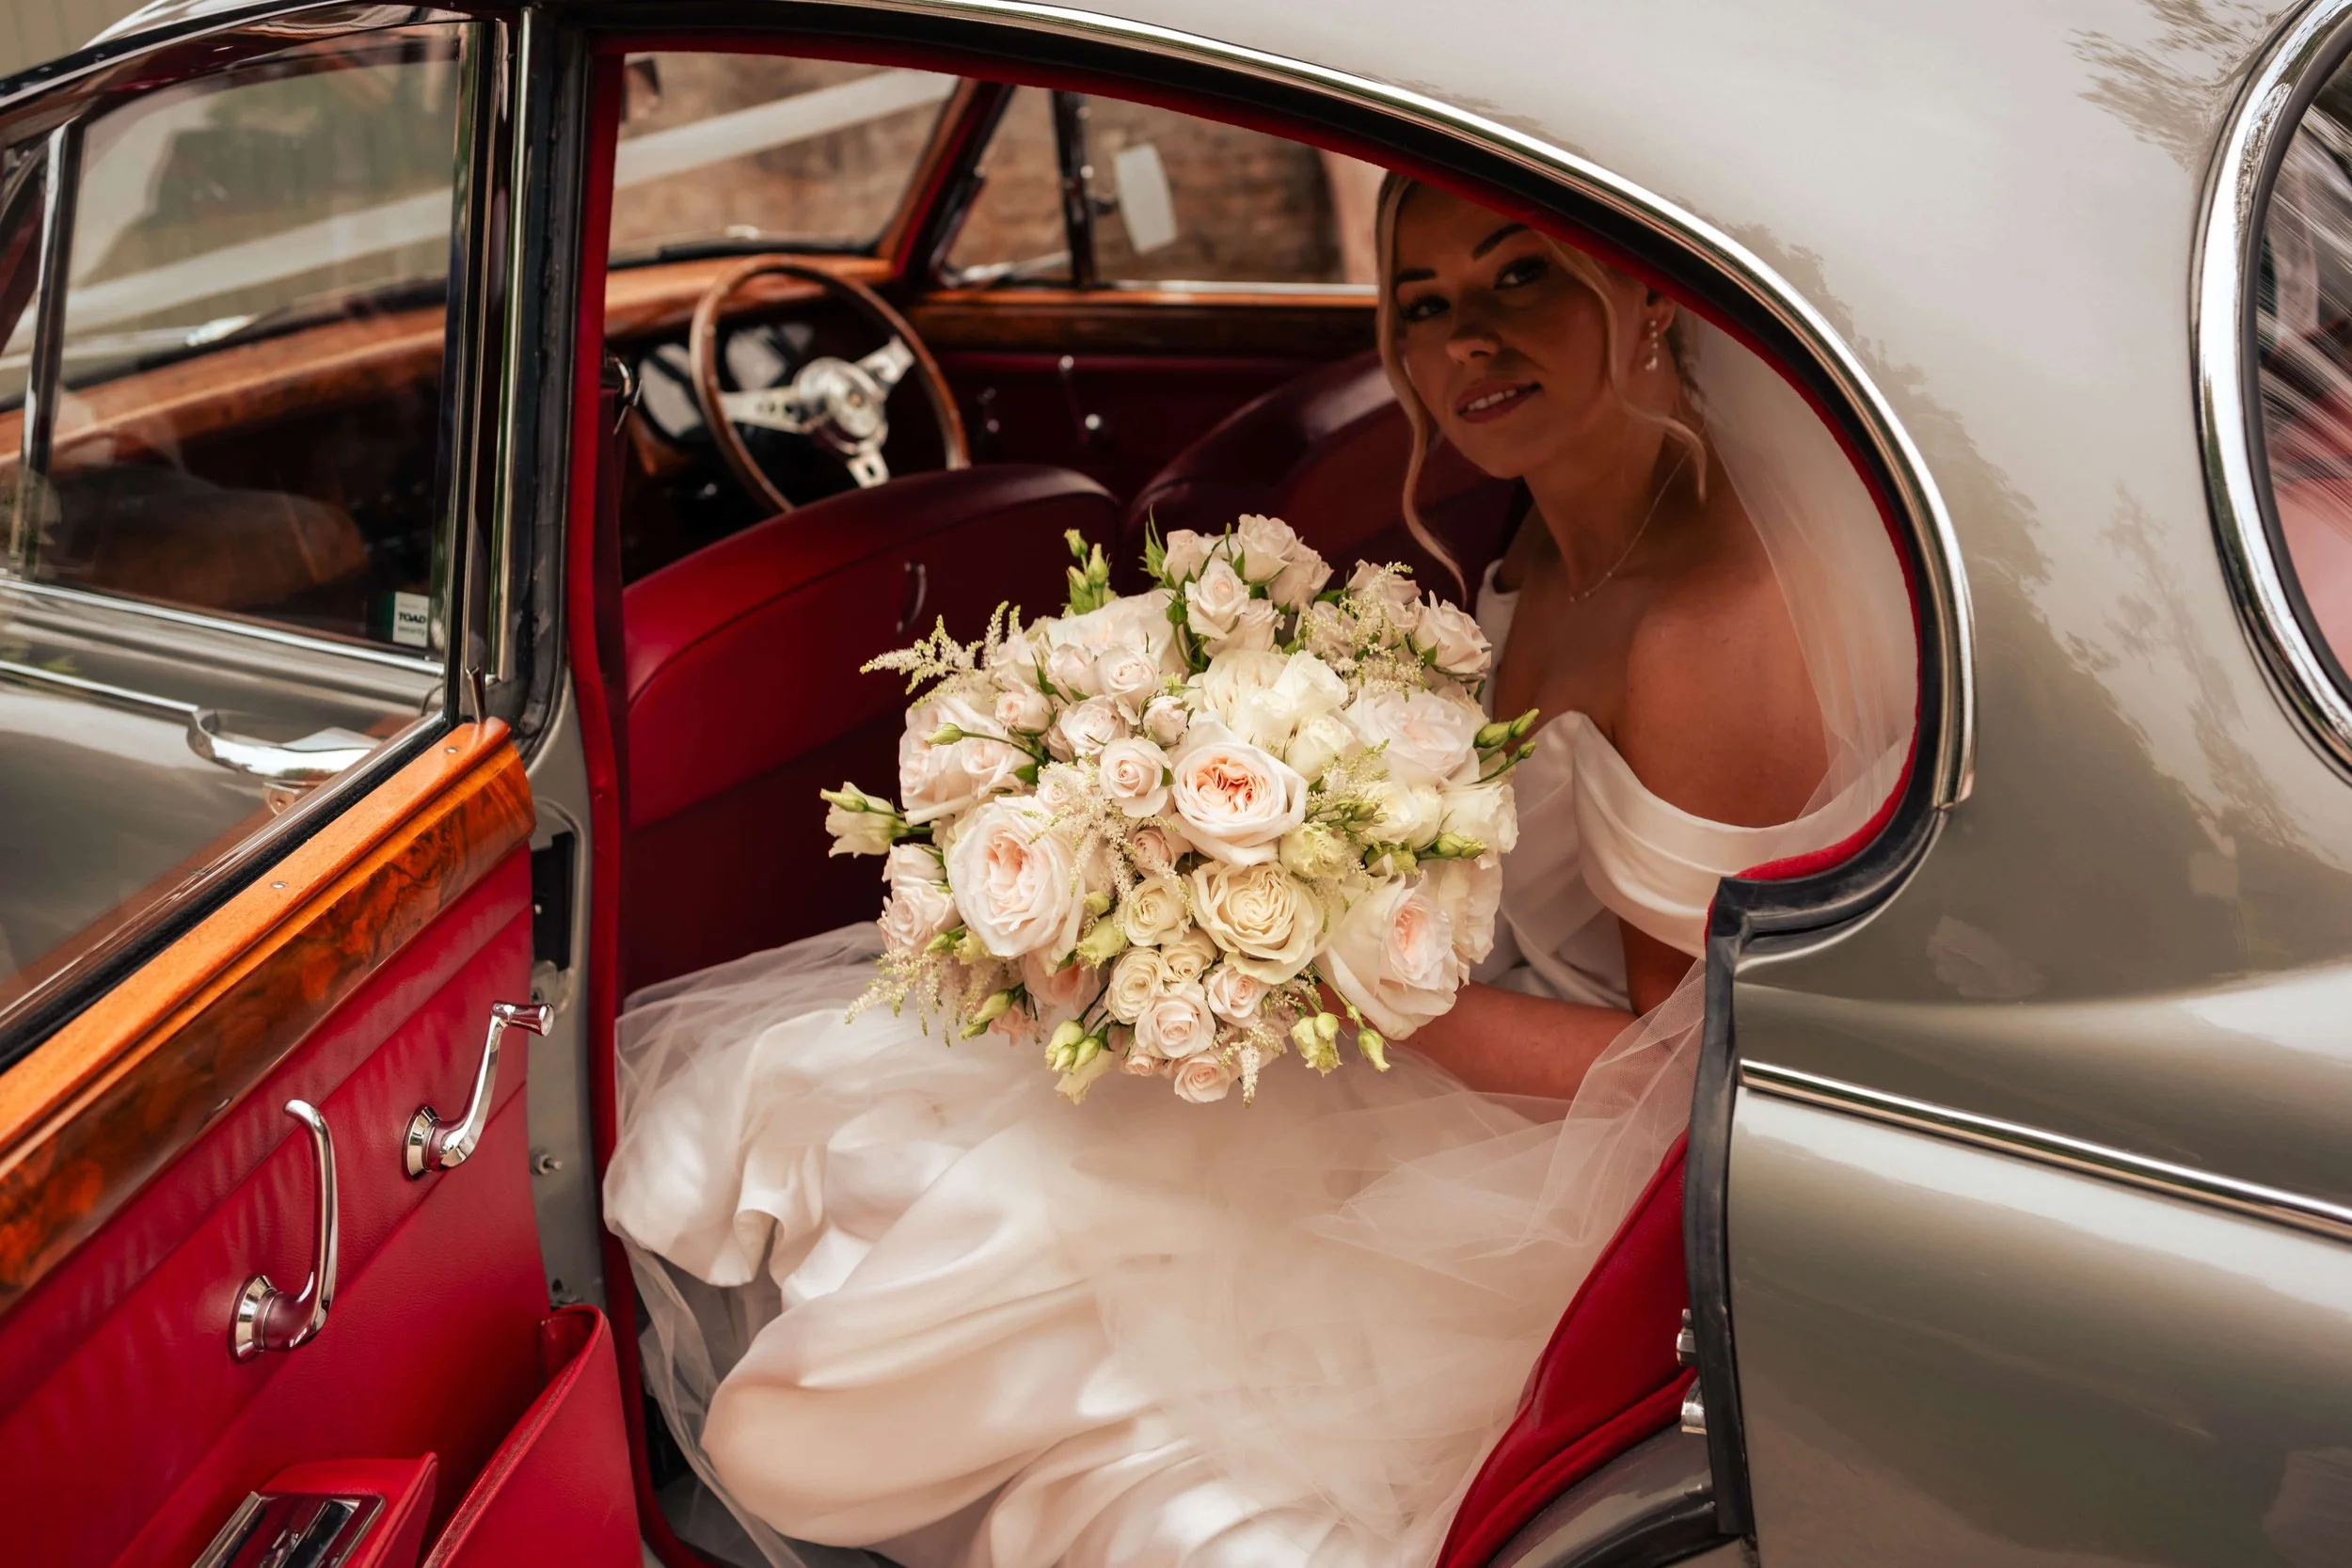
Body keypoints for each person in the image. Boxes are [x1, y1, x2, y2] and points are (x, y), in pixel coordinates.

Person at [604, 174, 1915, 1568]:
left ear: (1653, 288)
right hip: (1462, 1029)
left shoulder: (1705, 630)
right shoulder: (1553, 527)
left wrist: (1325, 986)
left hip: (1570, 1172)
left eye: (1520, 276)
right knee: (887, 1098)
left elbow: (1687, 1079)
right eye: (1424, 303)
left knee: (994, 1260)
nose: (1465, 338)